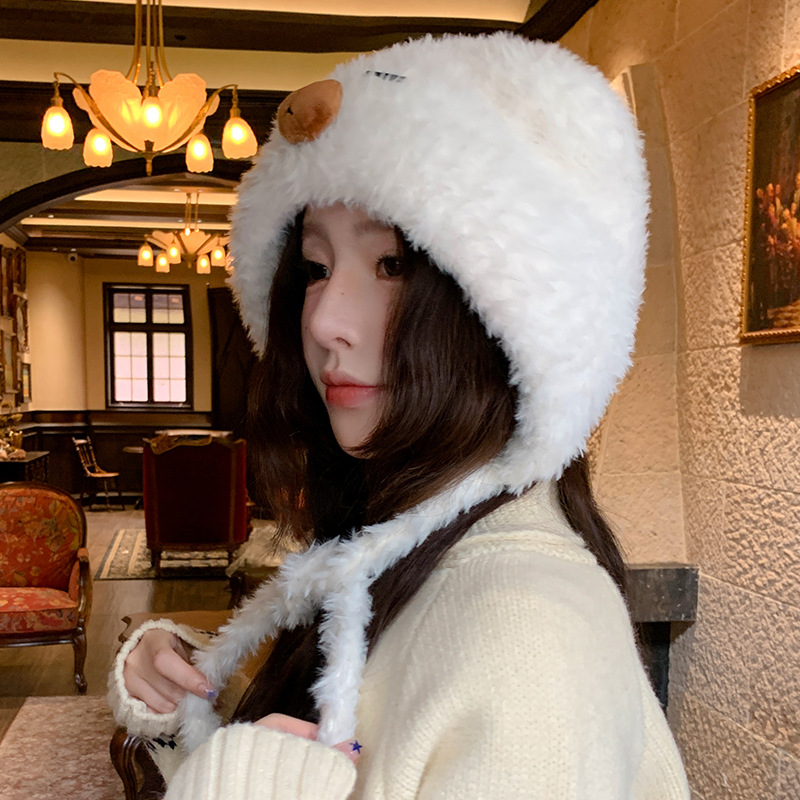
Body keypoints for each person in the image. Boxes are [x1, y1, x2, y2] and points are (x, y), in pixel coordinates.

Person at [109, 32, 690, 799]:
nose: (324, 321)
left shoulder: (526, 637)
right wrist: (185, 686)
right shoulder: (405, 550)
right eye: (316, 268)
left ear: (513, 316)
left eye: (392, 264)